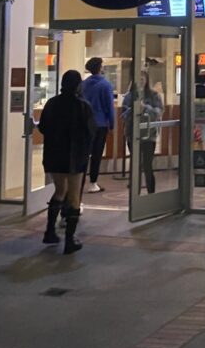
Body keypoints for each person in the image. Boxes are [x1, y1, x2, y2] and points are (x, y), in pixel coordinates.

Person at [37, 70, 95, 254]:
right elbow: (90, 131)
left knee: (60, 190)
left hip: (54, 155)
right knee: (74, 196)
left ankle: (50, 231)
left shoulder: (52, 103)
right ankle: (70, 240)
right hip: (75, 156)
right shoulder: (83, 106)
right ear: (78, 84)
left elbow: (43, 127)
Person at [122, 70, 164, 194]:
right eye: (138, 79)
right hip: (132, 134)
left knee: (147, 165)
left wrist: (145, 107)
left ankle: (151, 193)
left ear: (146, 80)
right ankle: (136, 194)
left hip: (148, 135)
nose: (140, 81)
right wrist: (133, 109)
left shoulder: (154, 95)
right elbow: (123, 115)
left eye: (142, 78)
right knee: (136, 166)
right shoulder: (129, 96)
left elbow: (158, 112)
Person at [81, 57, 115, 193]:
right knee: (96, 154)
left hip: (84, 124)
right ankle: (93, 182)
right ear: (100, 68)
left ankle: (80, 180)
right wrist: (112, 125)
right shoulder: (105, 85)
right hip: (100, 124)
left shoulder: (83, 84)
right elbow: (109, 107)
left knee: (84, 153)